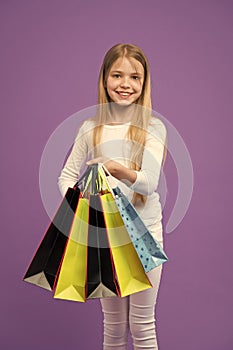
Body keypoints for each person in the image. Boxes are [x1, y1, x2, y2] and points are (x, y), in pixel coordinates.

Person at [57, 43, 167, 350]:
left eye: (135, 77)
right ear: (104, 79)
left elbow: (148, 183)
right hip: (105, 237)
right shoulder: (90, 128)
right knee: (114, 328)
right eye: (117, 75)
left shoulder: (153, 128)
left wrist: (116, 169)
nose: (125, 84)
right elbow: (66, 176)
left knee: (143, 326)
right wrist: (82, 205)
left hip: (146, 237)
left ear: (144, 83)